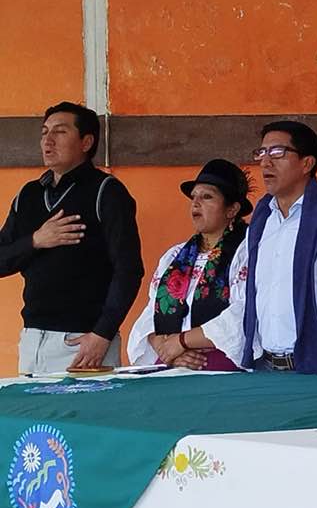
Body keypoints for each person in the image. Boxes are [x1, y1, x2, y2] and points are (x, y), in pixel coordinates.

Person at [215, 121, 317, 373]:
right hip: (266, 367)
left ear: (306, 163)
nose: (265, 162)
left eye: (277, 152)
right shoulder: (262, 220)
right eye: (262, 152)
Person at [0, 102, 143, 374]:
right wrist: (36, 240)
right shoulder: (28, 195)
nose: (48, 140)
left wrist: (102, 333)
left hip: (83, 341)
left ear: (86, 142)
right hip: (32, 339)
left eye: (60, 131)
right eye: (44, 132)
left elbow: (129, 269)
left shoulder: (107, 191)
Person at [127, 159, 253, 371]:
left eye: (207, 197)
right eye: (193, 197)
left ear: (232, 209)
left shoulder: (246, 252)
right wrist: (168, 351)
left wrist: (182, 342)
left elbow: (243, 312)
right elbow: (152, 312)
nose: (195, 203)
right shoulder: (175, 256)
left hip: (220, 363)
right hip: (173, 361)